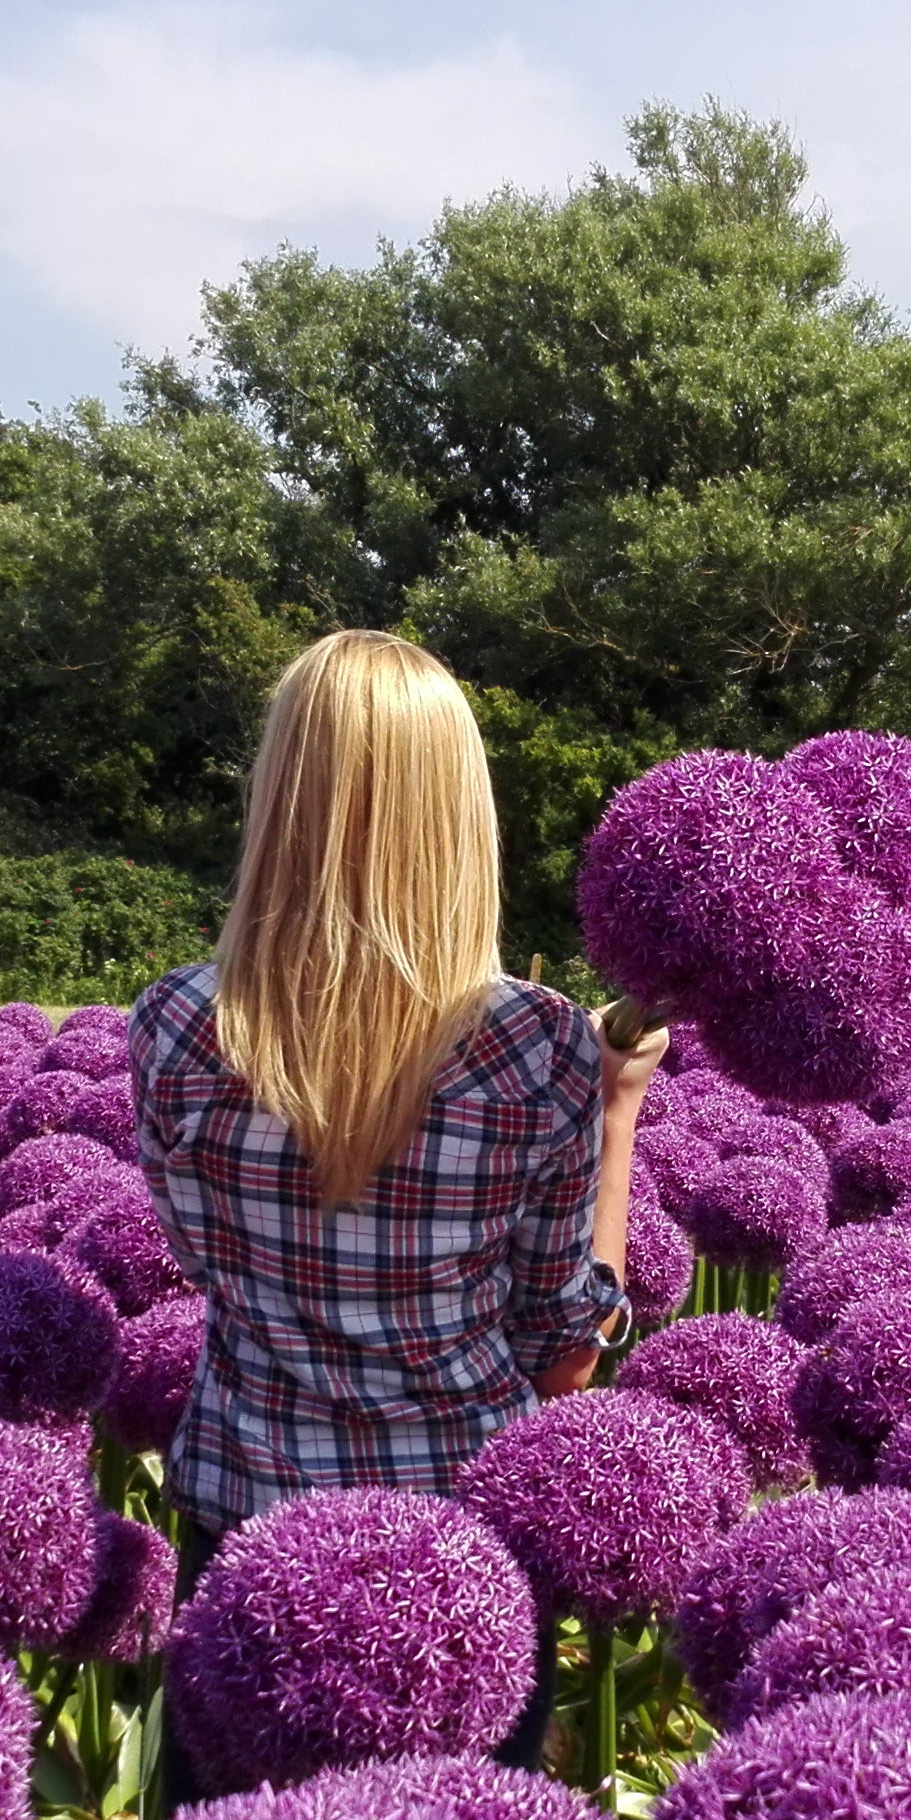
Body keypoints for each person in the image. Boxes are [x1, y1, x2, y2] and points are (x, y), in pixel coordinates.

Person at [129, 628, 663, 1541]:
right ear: (460, 814)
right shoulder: (538, 1043)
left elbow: (202, 1265)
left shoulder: (178, 1022)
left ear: (278, 795)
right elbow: (564, 1358)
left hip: (248, 1542)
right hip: (460, 1562)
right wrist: (618, 1110)